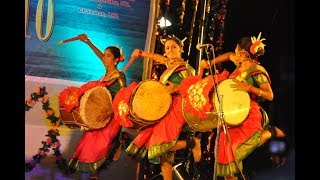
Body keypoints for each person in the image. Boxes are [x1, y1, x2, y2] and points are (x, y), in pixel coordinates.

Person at [112, 35, 201, 180]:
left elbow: (192, 88)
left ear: (181, 49)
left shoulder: (185, 68)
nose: (170, 50)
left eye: (174, 47)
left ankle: (192, 143)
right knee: (164, 155)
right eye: (167, 48)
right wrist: (141, 54)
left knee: (159, 145)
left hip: (177, 108)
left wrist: (177, 88)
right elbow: (158, 57)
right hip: (165, 107)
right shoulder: (170, 64)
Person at [198, 32, 286, 180]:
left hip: (248, 115)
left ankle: (269, 132)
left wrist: (250, 88)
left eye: (237, 50)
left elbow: (270, 95)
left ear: (244, 53)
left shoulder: (256, 71)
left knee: (234, 150)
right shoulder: (239, 63)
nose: (235, 53)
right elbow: (228, 55)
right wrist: (209, 63)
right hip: (232, 116)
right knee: (224, 156)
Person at [60, 34, 127, 179]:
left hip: (112, 118)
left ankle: (117, 142)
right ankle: (93, 177)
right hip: (100, 118)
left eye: (108, 56)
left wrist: (108, 113)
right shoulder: (106, 76)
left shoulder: (119, 77)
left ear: (116, 60)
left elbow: (122, 100)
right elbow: (100, 56)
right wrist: (88, 42)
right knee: (87, 148)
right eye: (105, 55)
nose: (105, 58)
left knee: (97, 148)